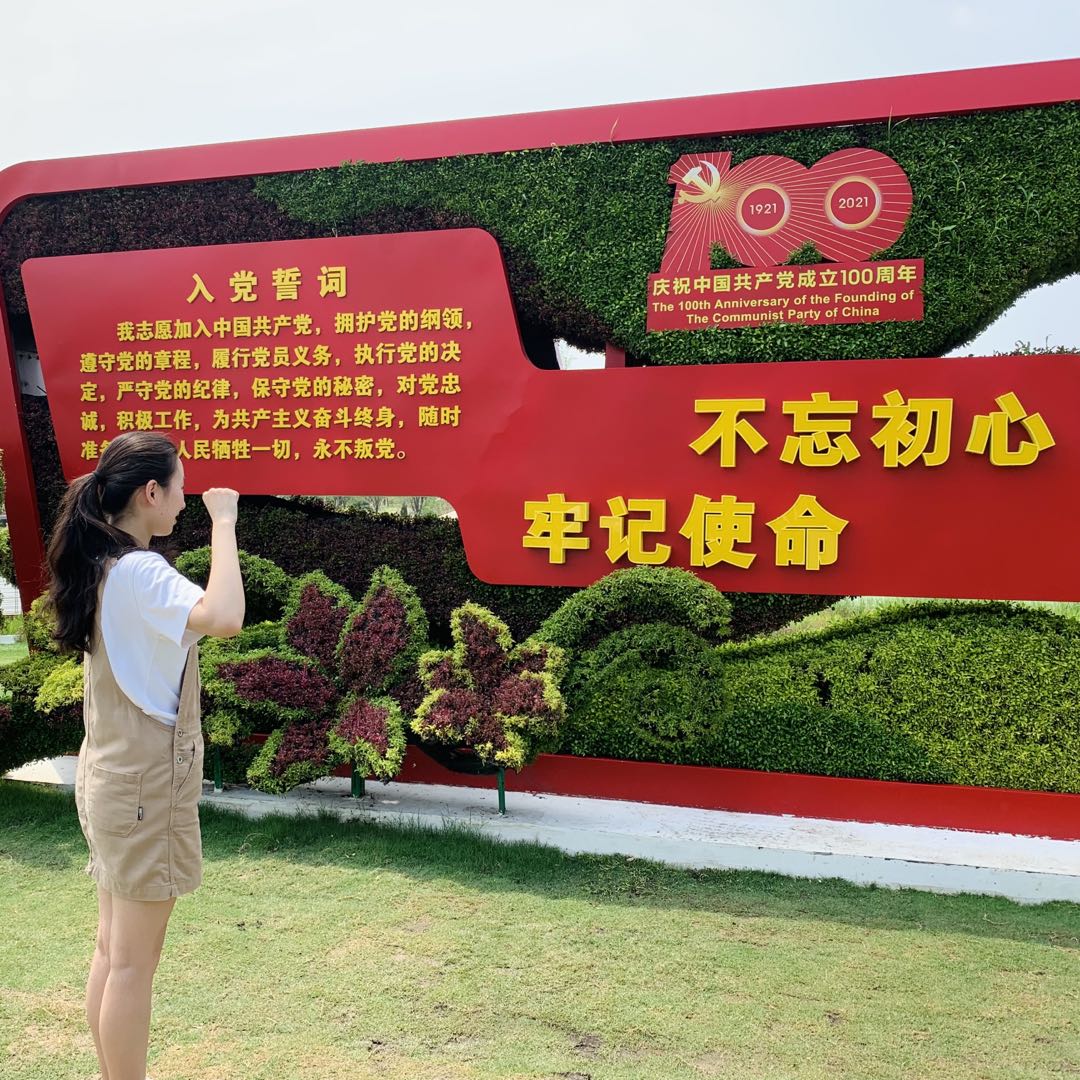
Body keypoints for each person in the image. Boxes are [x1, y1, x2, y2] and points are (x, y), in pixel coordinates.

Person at [45, 431, 245, 1080]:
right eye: (181, 489)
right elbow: (225, 616)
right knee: (132, 964)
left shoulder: (106, 568)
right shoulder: (139, 572)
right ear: (150, 493)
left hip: (112, 779)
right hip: (143, 789)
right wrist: (224, 523)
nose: (187, 501)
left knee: (113, 953)